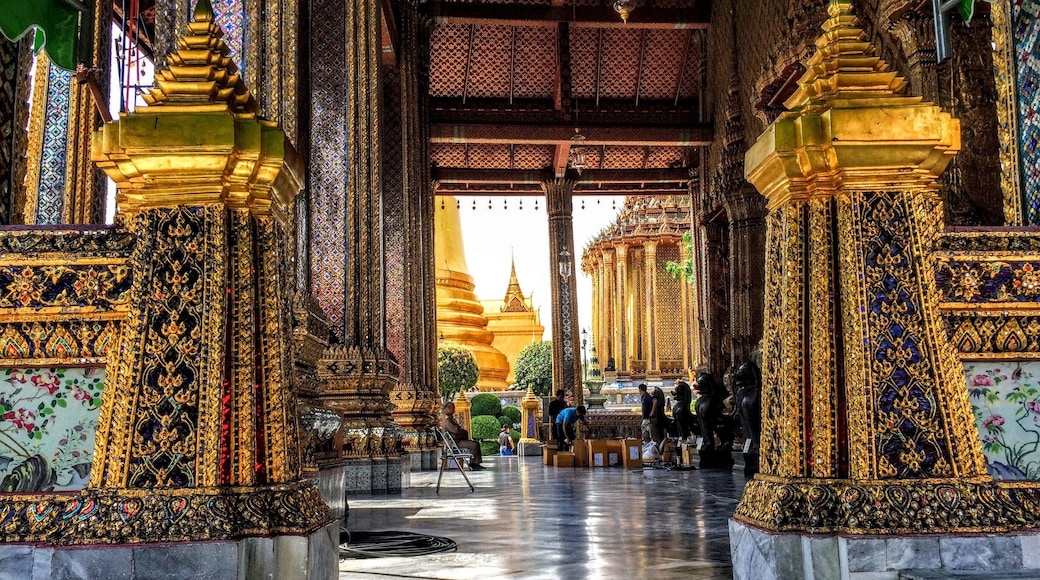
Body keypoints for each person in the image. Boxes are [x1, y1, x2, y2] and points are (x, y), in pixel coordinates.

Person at [441, 402, 485, 470]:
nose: (454, 410)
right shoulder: (446, 420)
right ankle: (473, 464)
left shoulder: (450, 419)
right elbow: (456, 431)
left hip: (458, 440)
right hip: (455, 442)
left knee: (476, 443)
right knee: (474, 445)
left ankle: (476, 463)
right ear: (448, 408)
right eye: (453, 408)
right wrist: (463, 432)